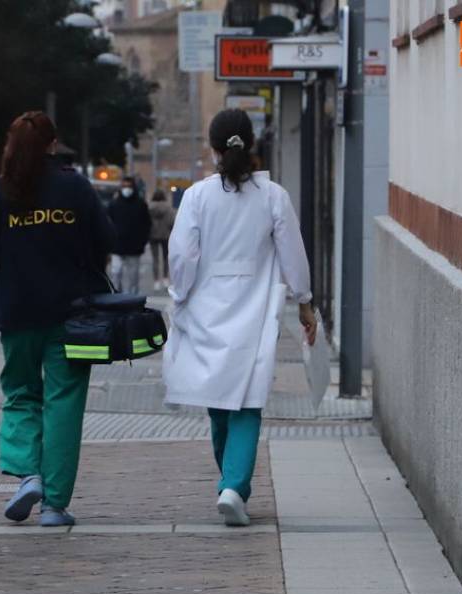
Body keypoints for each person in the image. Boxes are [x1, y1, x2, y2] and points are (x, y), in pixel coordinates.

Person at [163, 109, 317, 527]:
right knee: (247, 402)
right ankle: (234, 486)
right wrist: (303, 300)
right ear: (251, 144)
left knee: (218, 400)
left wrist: (179, 295)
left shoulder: (196, 196)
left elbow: (182, 256)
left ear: (212, 149)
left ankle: (231, 482)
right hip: (254, 310)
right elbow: (292, 253)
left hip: (206, 307)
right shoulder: (273, 197)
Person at [0, 111, 115, 527]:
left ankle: (27, 472)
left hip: (17, 312)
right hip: (72, 314)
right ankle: (55, 504)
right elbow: (107, 238)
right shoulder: (76, 188)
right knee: (64, 401)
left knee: (20, 392)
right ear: (53, 145)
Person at [107, 176, 151, 294]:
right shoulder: (114, 204)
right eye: (124, 186)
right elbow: (108, 223)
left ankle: (132, 301)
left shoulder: (140, 204)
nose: (126, 189)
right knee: (116, 273)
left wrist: (142, 241)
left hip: (134, 247)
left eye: (129, 186)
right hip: (117, 246)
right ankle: (116, 297)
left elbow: (146, 224)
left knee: (133, 279)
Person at [147, 188, 176, 290]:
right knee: (165, 258)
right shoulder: (168, 208)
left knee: (155, 259)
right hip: (166, 235)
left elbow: (146, 222)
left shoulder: (149, 208)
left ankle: (156, 281)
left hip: (152, 235)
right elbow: (172, 222)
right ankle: (165, 279)